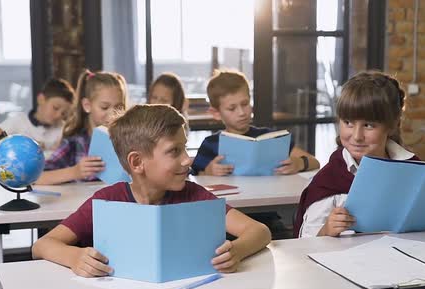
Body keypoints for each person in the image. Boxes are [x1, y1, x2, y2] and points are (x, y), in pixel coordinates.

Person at [31, 104, 271, 277]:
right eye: (174, 151)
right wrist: (74, 258)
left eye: (184, 148)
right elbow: (42, 245)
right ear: (137, 163)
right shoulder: (106, 201)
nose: (188, 160)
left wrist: (237, 251)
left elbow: (259, 231)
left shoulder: (195, 195)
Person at [295, 71, 425, 238]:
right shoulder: (329, 179)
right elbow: (306, 240)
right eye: (348, 123)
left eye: (368, 125)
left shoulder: (414, 169)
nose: (356, 136)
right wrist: (326, 230)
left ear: (391, 126)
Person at [191, 70, 319, 176]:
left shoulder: (271, 138)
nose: (241, 112)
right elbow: (195, 175)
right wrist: (208, 171)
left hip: (272, 198)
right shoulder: (210, 144)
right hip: (233, 203)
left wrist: (298, 164)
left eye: (245, 104)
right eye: (232, 108)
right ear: (216, 113)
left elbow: (315, 162)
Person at [34, 70, 128, 185]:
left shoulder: (129, 139)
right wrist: (75, 172)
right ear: (87, 106)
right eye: (104, 107)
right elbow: (38, 177)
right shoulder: (75, 141)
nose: (113, 114)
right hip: (83, 201)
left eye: (119, 107)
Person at [0, 78, 74, 157]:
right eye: (55, 108)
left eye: (64, 113)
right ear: (41, 99)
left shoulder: (63, 129)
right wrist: (22, 146)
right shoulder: (18, 121)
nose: (59, 115)